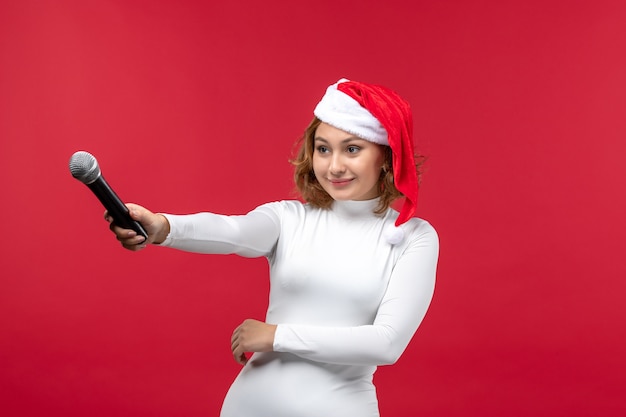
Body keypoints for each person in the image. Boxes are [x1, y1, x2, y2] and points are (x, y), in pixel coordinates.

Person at [105, 78, 439, 417]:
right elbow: (232, 230)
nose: (334, 166)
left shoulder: (413, 237)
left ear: (386, 156)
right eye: (323, 149)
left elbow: (386, 344)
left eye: (352, 149)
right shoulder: (288, 218)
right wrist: (164, 226)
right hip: (250, 406)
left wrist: (276, 337)